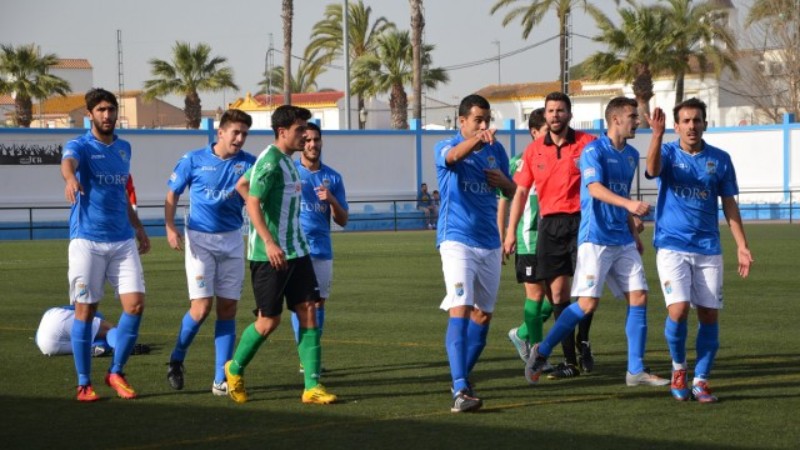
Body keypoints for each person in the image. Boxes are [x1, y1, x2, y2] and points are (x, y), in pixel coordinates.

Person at [524, 97, 669, 387]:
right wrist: (629, 205)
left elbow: (620, 192)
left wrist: (630, 228)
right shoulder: (593, 151)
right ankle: (542, 350)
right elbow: (595, 188)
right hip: (595, 238)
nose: (636, 122)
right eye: (632, 117)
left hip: (621, 239)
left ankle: (635, 370)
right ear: (615, 119)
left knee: (639, 296)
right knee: (587, 304)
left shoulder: (630, 155)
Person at [224, 105, 337, 405]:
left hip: (298, 251)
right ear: (282, 132)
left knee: (309, 309)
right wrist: (269, 241)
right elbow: (252, 201)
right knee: (268, 322)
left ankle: (311, 386)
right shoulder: (270, 162)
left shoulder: (287, 162)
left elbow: (241, 184)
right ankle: (234, 369)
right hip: (269, 255)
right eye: (300, 130)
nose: (304, 136)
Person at [646, 99, 753, 403]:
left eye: (697, 120)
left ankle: (701, 380)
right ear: (676, 126)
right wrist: (655, 135)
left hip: (708, 247)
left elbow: (729, 204)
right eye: (686, 121)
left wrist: (742, 246)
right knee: (678, 310)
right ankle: (679, 370)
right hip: (672, 245)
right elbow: (651, 170)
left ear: (705, 123)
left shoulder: (720, 159)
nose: (692, 126)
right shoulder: (667, 151)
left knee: (708, 314)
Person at [60, 88, 150, 402]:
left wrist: (138, 227)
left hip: (122, 240)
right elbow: (67, 164)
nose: (107, 115)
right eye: (101, 110)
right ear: (90, 114)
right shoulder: (80, 145)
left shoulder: (125, 147)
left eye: (111, 109)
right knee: (86, 310)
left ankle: (116, 371)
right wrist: (70, 179)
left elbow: (122, 194)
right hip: (87, 240)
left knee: (135, 305)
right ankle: (84, 384)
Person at [504, 92, 597, 380]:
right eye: (550, 111)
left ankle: (583, 340)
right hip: (550, 227)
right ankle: (570, 362)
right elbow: (519, 192)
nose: (555, 115)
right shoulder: (533, 152)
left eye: (560, 110)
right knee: (557, 294)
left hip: (582, 224)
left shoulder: (588, 144)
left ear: (570, 114)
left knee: (586, 292)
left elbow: (604, 182)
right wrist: (510, 232)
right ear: (545, 116)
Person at [164, 109, 256, 396]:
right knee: (202, 308)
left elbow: (258, 197)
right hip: (199, 239)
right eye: (235, 132)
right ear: (220, 133)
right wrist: (169, 227)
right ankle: (177, 358)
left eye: (244, 134)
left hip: (232, 239)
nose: (239, 139)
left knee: (228, 308)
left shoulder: (250, 164)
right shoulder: (193, 159)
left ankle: (220, 379)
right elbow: (172, 193)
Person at [436, 94, 515, 413]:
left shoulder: (497, 150)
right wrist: (477, 143)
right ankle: (459, 388)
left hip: (490, 243)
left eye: (487, 120)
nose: (484, 126)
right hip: (456, 239)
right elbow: (453, 156)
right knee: (461, 306)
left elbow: (512, 191)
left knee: (483, 315)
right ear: (462, 121)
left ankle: (462, 377)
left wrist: (504, 182)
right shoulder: (445, 146)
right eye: (477, 120)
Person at [289, 121, 348, 372]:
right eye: (308, 140)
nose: (312, 144)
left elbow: (343, 220)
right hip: (296, 247)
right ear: (301, 143)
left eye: (316, 140)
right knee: (302, 303)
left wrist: (331, 199)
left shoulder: (333, 177)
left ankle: (310, 356)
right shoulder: (289, 172)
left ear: (321, 142)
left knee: (320, 302)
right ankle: (306, 359)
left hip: (322, 248)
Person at [498, 108, 554, 363]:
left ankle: (521, 334)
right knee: (536, 296)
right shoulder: (517, 162)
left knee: (555, 300)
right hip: (528, 238)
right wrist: (503, 237)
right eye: (547, 130)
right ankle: (537, 353)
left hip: (555, 239)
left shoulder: (557, 159)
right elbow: (504, 202)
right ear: (534, 132)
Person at [36, 305, 151, 357]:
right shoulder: (92, 314)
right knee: (108, 329)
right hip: (59, 322)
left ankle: (97, 347)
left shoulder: (58, 310)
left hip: (45, 346)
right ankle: (123, 346)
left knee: (83, 344)